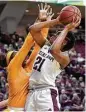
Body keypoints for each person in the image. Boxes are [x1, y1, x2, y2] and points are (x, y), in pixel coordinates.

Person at [25, 11, 81, 111]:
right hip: (31, 92)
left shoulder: (64, 57)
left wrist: (66, 28)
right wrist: (57, 20)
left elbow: (54, 50)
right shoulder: (46, 45)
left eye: (58, 34)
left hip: (46, 93)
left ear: (64, 41)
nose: (54, 34)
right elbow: (32, 29)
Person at [0, 3, 51, 111]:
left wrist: (45, 24)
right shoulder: (12, 68)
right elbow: (26, 45)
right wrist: (39, 22)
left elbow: (38, 48)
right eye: (16, 55)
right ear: (12, 60)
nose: (21, 56)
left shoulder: (27, 68)